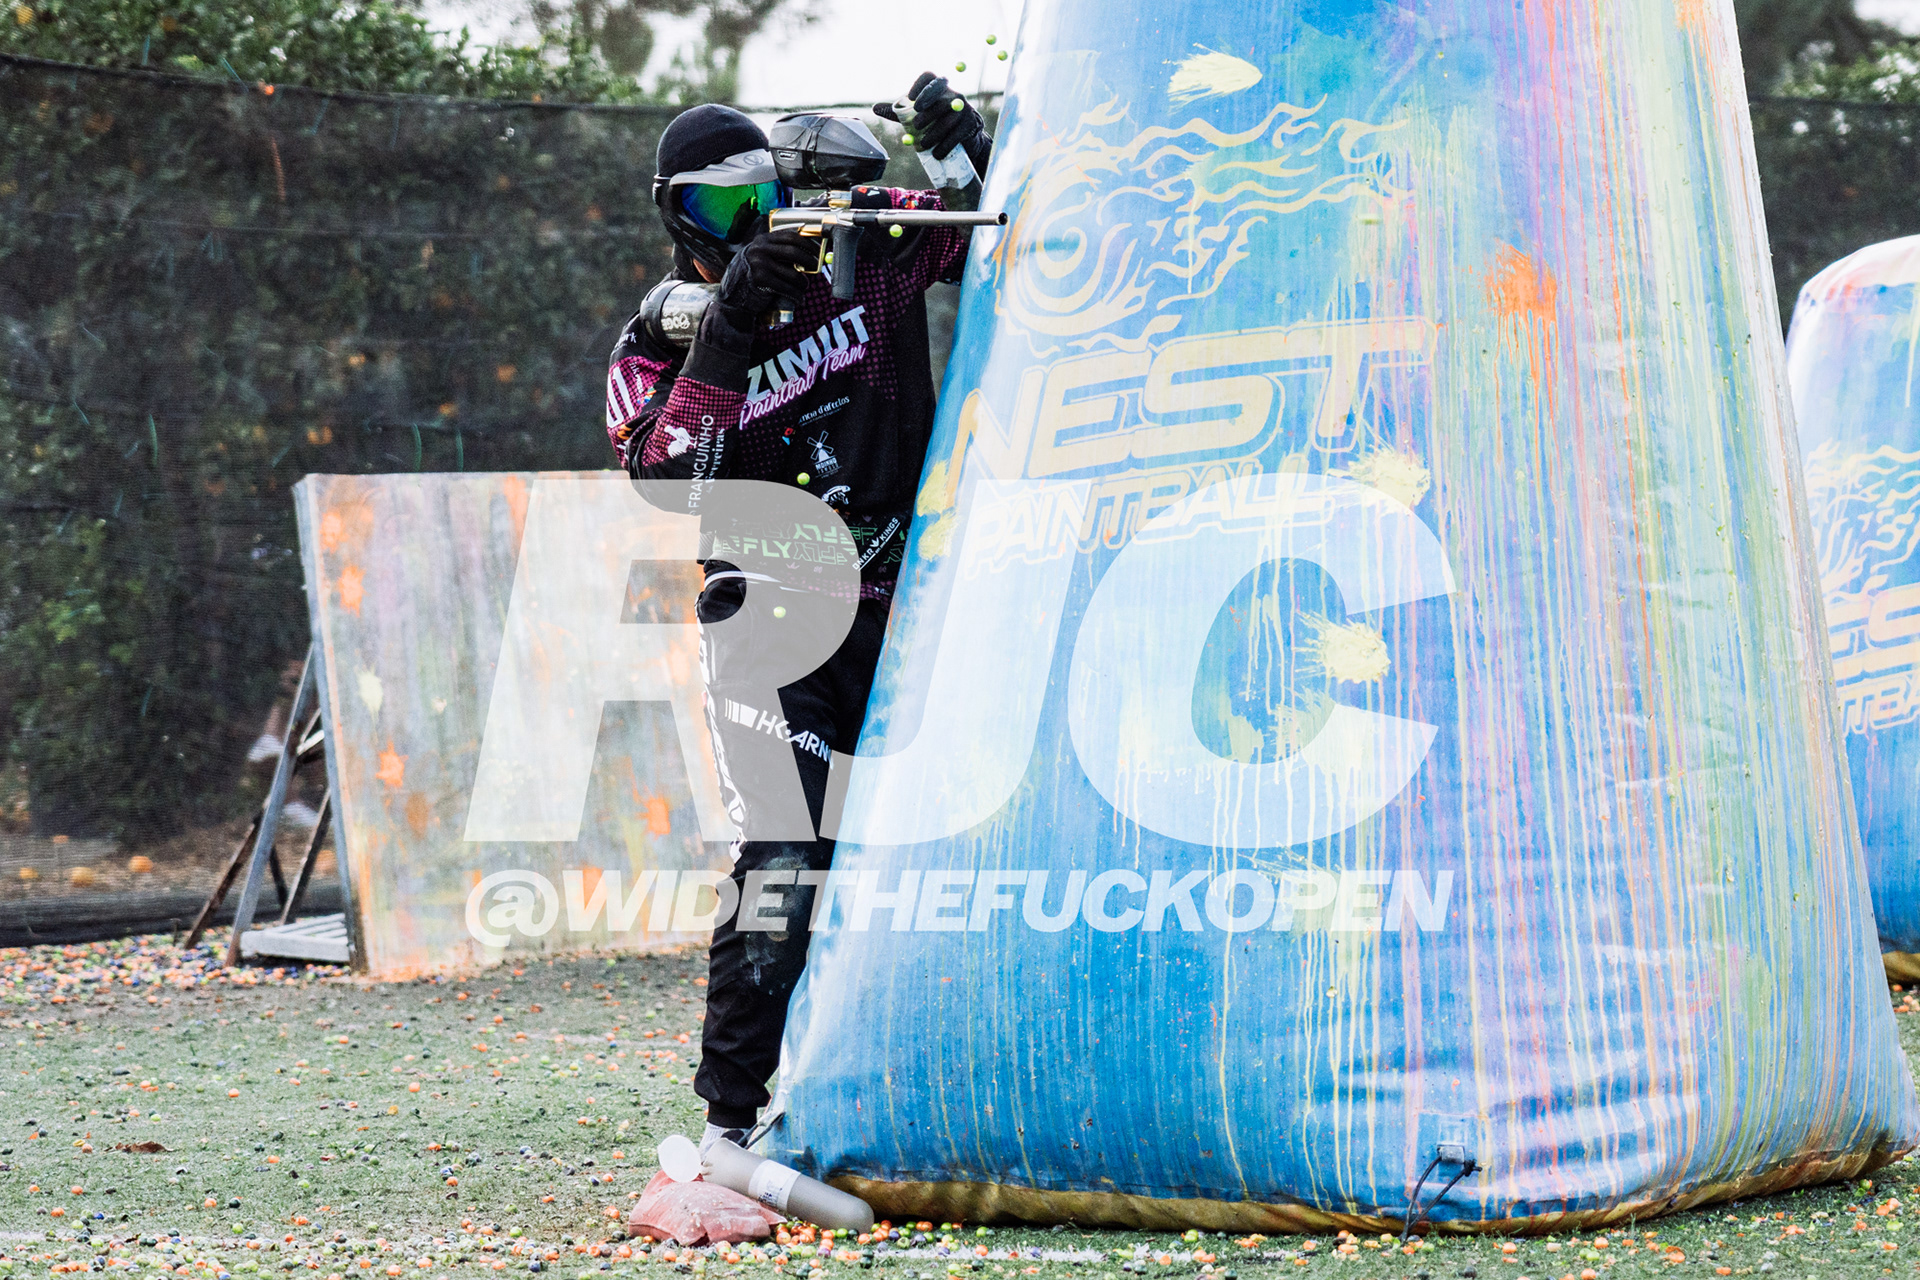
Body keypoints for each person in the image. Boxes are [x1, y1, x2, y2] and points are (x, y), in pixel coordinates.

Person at [605, 76, 993, 1153]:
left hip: (909, 607)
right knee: (785, 858)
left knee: (961, 855)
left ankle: (942, 1097)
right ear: (677, 216)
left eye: (762, 200)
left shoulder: (864, 246)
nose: (750, 227)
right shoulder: (652, 348)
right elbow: (672, 476)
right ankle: (730, 1124)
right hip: (766, 625)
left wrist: (961, 151)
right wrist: (729, 327)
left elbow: (1007, 245)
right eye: (722, 210)